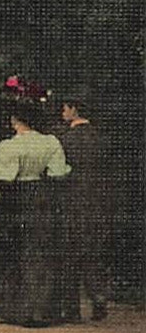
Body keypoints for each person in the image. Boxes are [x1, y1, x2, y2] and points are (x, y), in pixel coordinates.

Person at [0, 101, 73, 327]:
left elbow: (5, 177)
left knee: (14, 251)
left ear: (15, 120)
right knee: (39, 253)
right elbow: (58, 173)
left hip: (16, 198)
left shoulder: (9, 146)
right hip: (43, 198)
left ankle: (18, 309)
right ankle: (40, 309)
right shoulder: (51, 142)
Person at [56, 91, 110, 321]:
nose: (63, 112)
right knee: (93, 252)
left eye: (65, 108)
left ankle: (72, 308)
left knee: (70, 252)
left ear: (74, 109)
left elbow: (59, 171)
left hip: (71, 199)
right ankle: (98, 298)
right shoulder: (100, 138)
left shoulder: (66, 140)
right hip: (98, 201)